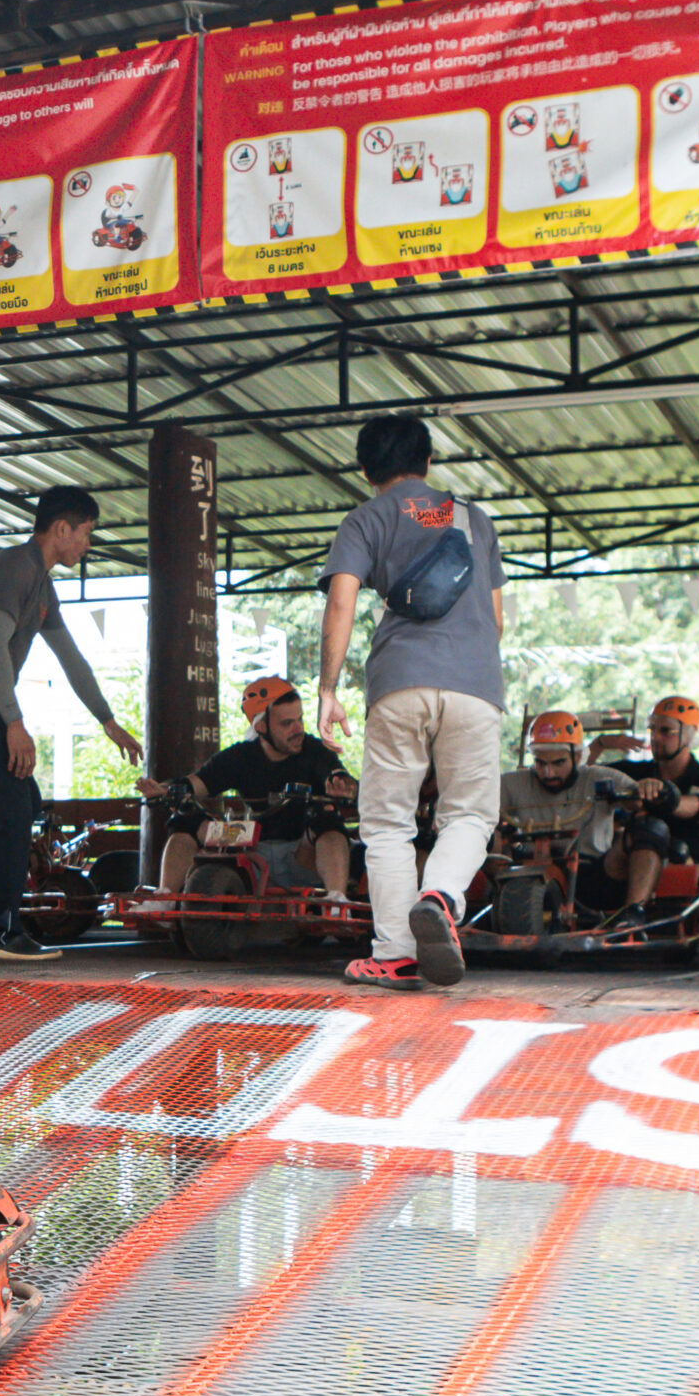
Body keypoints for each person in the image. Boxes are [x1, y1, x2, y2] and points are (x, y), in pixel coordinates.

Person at [316, 414, 507, 991]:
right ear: (428, 462)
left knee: (387, 823)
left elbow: (341, 606)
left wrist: (327, 689)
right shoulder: (473, 519)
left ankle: (396, 952)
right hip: (475, 683)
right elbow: (497, 620)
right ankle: (441, 895)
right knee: (471, 813)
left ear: (366, 468)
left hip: (398, 681)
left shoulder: (365, 518)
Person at [0, 485, 143, 962]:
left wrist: (107, 720)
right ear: (62, 529)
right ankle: (3, 930)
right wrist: (14, 722)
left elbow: (71, 658)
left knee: (19, 804)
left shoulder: (42, 584)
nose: (87, 544)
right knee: (13, 810)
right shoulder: (15, 567)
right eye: (86, 533)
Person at [136, 675, 356, 897]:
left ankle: (336, 902)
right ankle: (165, 898)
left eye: (299, 720)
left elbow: (338, 776)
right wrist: (165, 790)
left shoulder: (314, 751)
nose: (298, 729)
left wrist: (345, 787)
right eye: (287, 723)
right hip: (252, 857)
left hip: (303, 856)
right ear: (261, 726)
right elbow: (196, 784)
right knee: (184, 819)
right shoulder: (241, 756)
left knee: (328, 821)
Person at [583, 695, 699, 927]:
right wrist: (601, 744)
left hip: (682, 873)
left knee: (653, 830)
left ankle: (633, 915)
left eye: (666, 731)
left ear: (689, 735)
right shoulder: (634, 772)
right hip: (625, 868)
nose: (656, 737)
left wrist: (666, 796)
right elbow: (577, 776)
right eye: (653, 729)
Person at [496, 711, 636, 920]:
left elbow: (638, 797)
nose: (547, 773)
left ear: (578, 756)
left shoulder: (599, 777)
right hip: (525, 873)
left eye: (558, 763)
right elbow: (478, 806)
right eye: (540, 763)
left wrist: (647, 790)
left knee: (647, 829)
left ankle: (633, 912)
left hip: (591, 876)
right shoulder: (512, 783)